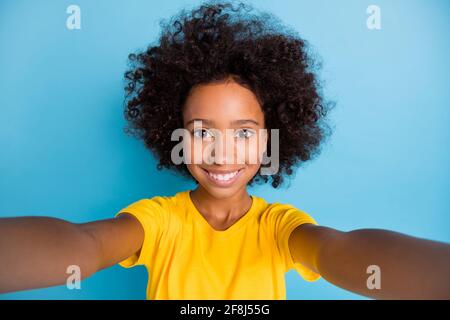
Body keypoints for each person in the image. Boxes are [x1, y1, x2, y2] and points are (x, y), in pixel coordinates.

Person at [1, 1, 449, 299]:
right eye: (201, 131)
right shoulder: (159, 222)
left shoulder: (280, 228)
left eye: (244, 131)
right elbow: (85, 244)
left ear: (273, 137)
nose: (221, 153)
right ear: (173, 135)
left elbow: (339, 250)